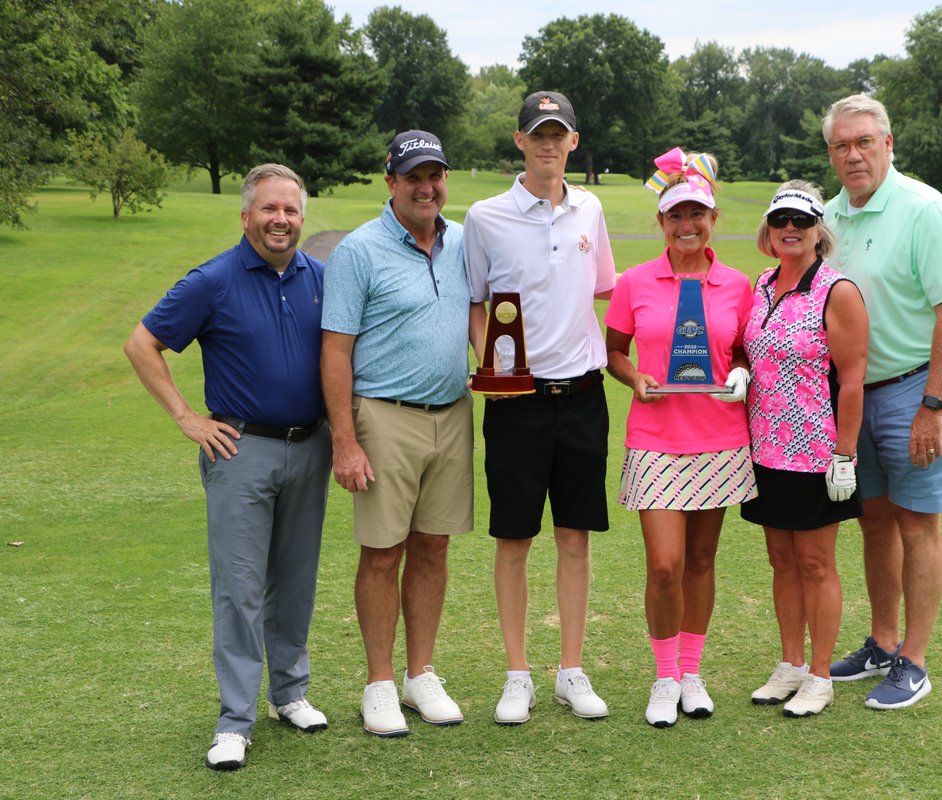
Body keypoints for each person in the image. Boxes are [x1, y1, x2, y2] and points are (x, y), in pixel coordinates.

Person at [124, 164, 331, 771]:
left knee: (293, 580)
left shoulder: (320, 277)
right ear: (246, 217)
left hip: (310, 445)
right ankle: (235, 720)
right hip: (240, 451)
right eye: (269, 210)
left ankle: (289, 694)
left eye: (291, 211)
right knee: (239, 589)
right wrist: (187, 417)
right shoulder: (212, 280)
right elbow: (143, 344)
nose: (281, 220)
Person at [464, 91, 616, 725]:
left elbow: (601, 290)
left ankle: (571, 671)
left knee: (575, 535)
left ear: (572, 143)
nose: (549, 144)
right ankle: (518, 673)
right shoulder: (484, 217)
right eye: (538, 134)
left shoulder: (592, 209)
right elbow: (476, 303)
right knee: (513, 537)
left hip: (582, 395)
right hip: (517, 403)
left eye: (559, 134)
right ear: (520, 141)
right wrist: (496, 366)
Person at [821, 94, 942, 710]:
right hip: (856, 393)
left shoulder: (924, 209)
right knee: (874, 519)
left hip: (916, 386)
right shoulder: (830, 215)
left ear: (888, 144)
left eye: (864, 142)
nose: (853, 155)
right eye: (841, 145)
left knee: (917, 521)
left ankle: (913, 659)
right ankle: (882, 643)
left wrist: (933, 405)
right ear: (831, 153)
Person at [321, 131, 473, 736]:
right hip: (383, 415)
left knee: (433, 546)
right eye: (413, 176)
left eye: (435, 175)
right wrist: (344, 439)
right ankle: (379, 681)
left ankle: (420, 674)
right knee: (384, 552)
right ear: (391, 182)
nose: (426, 187)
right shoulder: (359, 250)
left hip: (453, 412)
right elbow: (335, 351)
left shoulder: (462, 240)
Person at [604, 149, 756, 728]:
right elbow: (615, 350)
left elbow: (743, 346)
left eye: (697, 214)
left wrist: (741, 369)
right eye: (675, 216)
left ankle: (691, 670)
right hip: (656, 437)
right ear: (661, 222)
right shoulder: (635, 282)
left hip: (719, 437)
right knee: (665, 564)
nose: (687, 225)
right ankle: (664, 677)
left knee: (700, 558)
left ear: (712, 219)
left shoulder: (737, 285)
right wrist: (633, 376)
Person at [740, 182, 869, 718]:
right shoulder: (761, 285)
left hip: (816, 453)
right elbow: (751, 350)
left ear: (819, 231)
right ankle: (791, 663)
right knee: (780, 560)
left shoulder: (836, 290)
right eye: (780, 222)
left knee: (816, 563)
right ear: (768, 233)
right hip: (765, 449)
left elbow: (855, 378)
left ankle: (820, 674)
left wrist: (844, 454)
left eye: (801, 221)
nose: (789, 229)